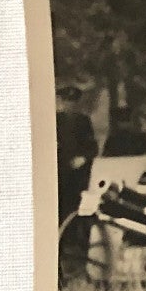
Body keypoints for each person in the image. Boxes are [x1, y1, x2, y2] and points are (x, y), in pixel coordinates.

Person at [54, 82, 98, 221]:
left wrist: (83, 158)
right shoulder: (56, 120)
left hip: (79, 174)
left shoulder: (83, 121)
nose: (70, 105)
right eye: (67, 101)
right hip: (59, 171)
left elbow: (92, 147)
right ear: (61, 101)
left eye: (73, 102)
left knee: (78, 207)